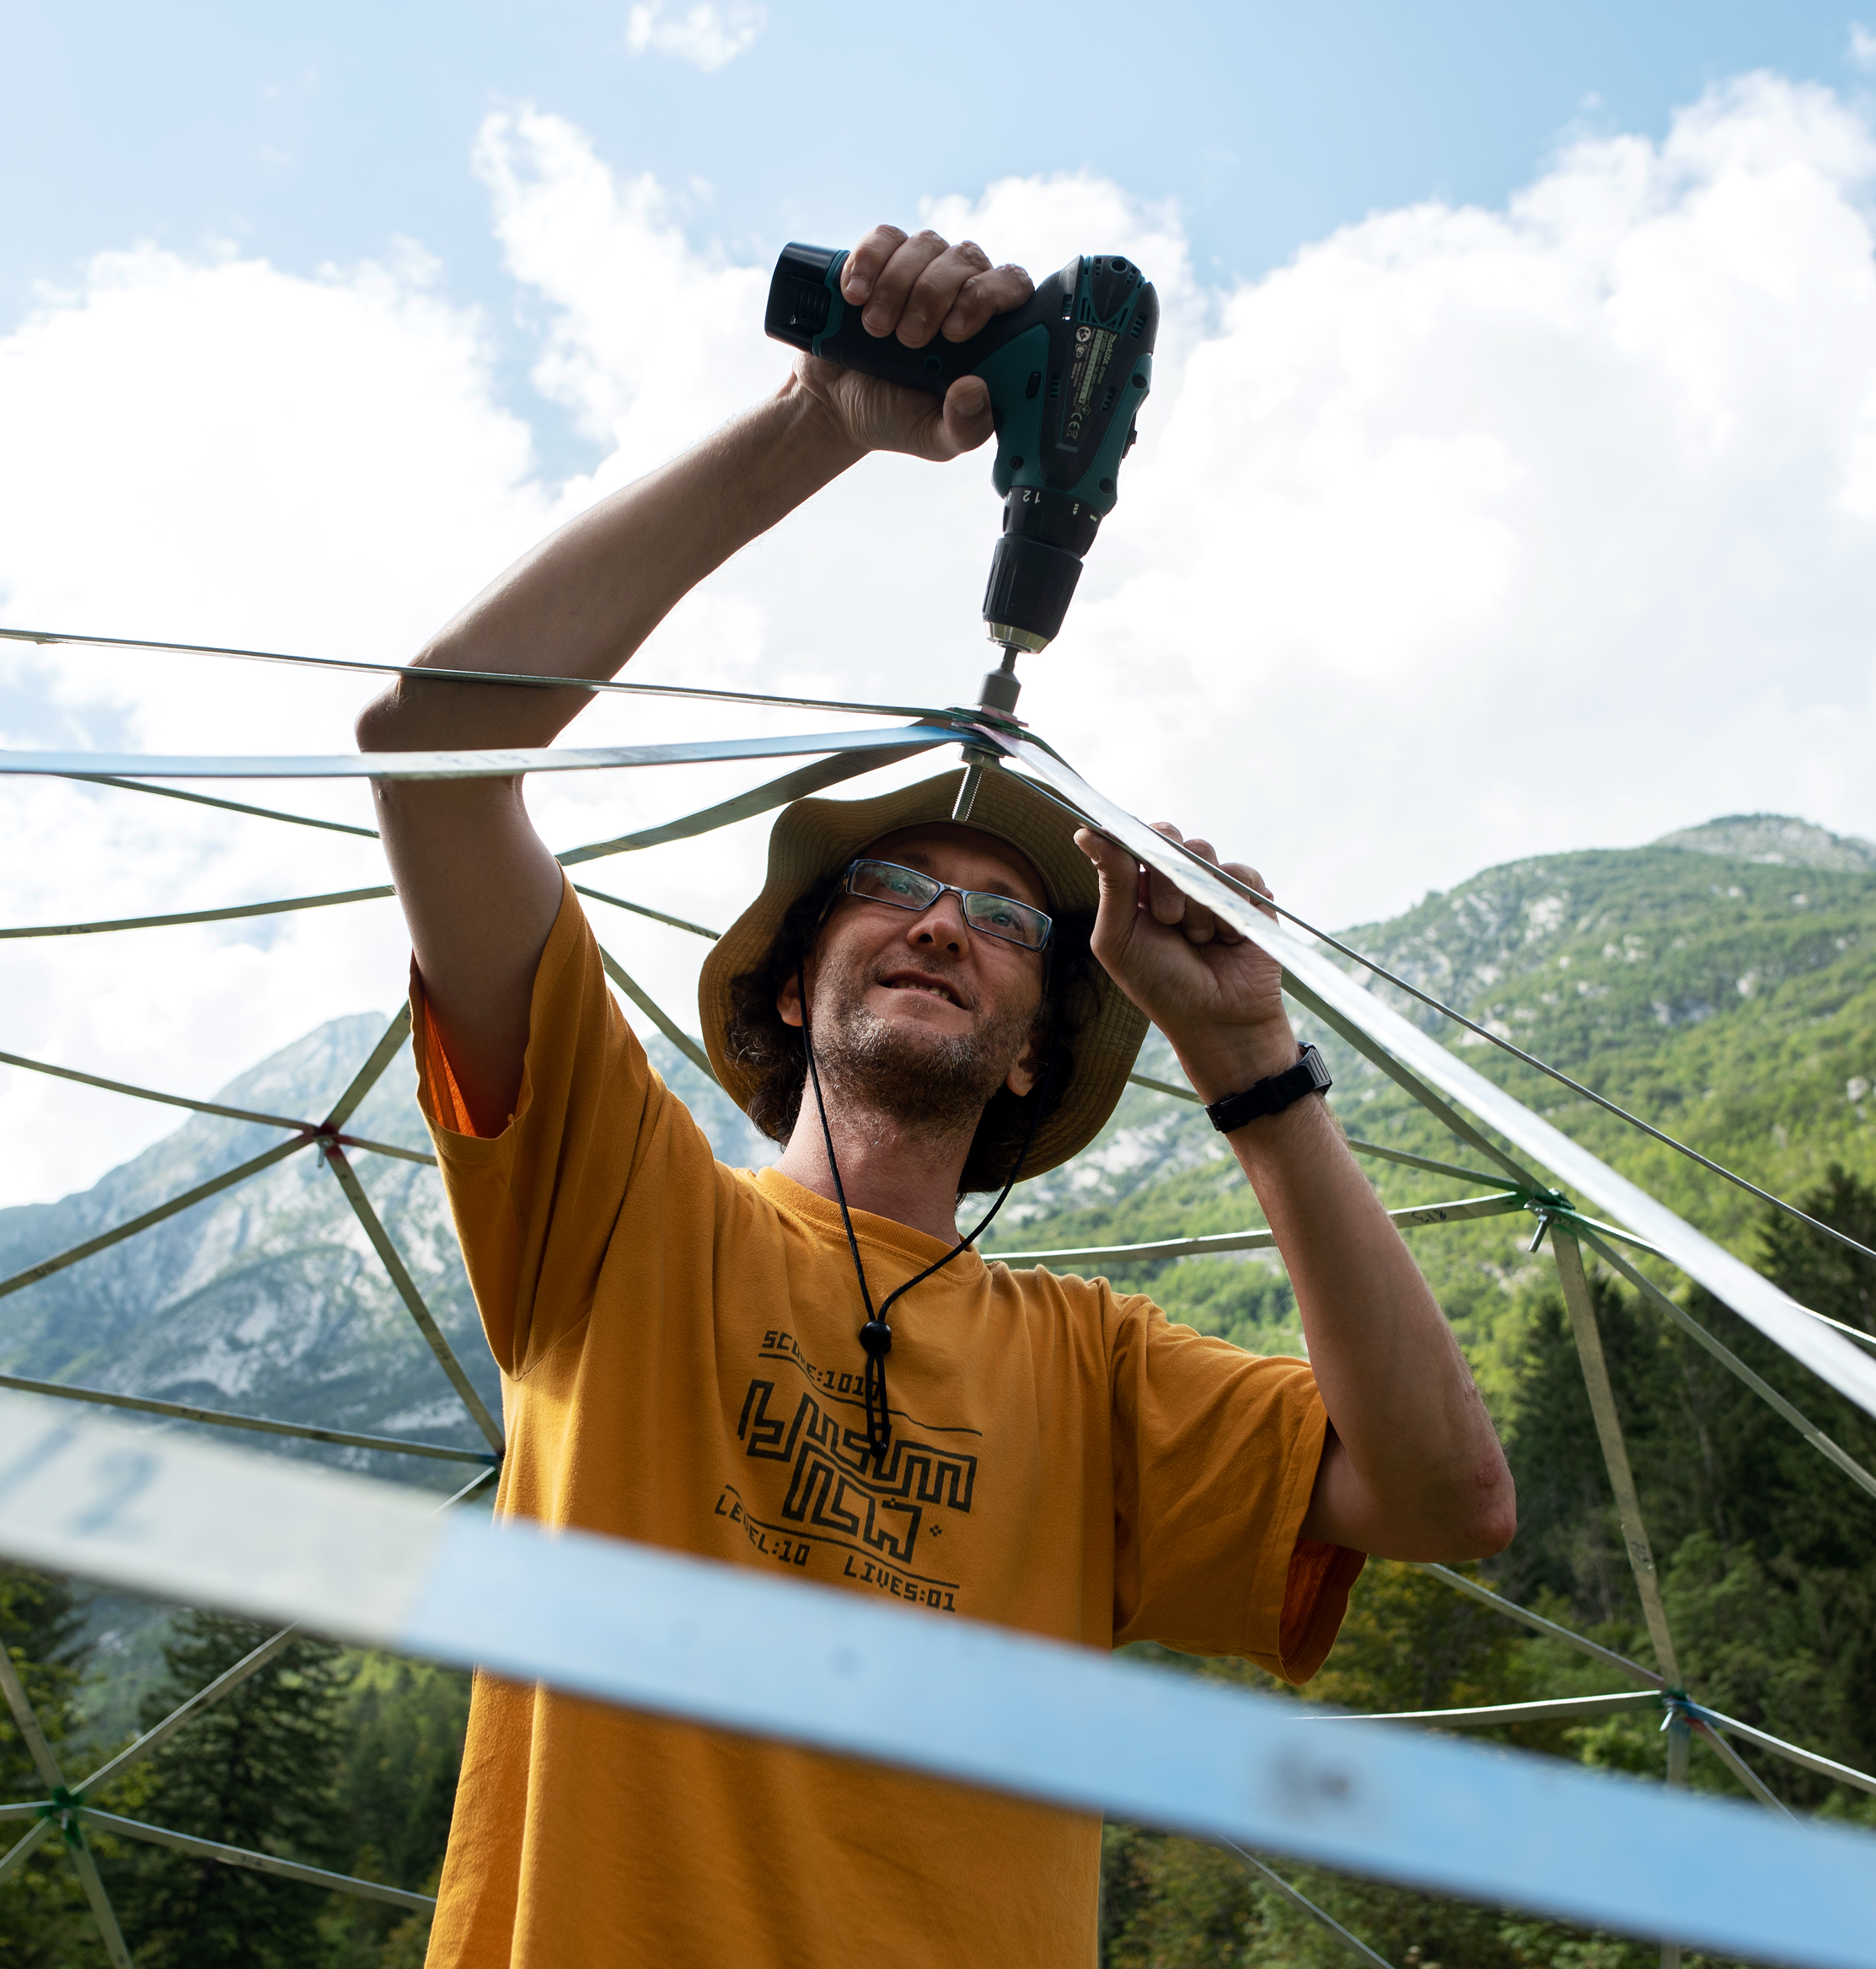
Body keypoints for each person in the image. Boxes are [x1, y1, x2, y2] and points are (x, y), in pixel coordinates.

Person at [358, 223, 1513, 1969]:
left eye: (999, 920)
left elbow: (1440, 1496)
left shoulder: (1093, 1370)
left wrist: (1248, 1061)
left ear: (1041, 1040)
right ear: (787, 979)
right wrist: (818, 421)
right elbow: (434, 751)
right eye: (890, 890)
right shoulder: (616, 1209)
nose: (943, 924)